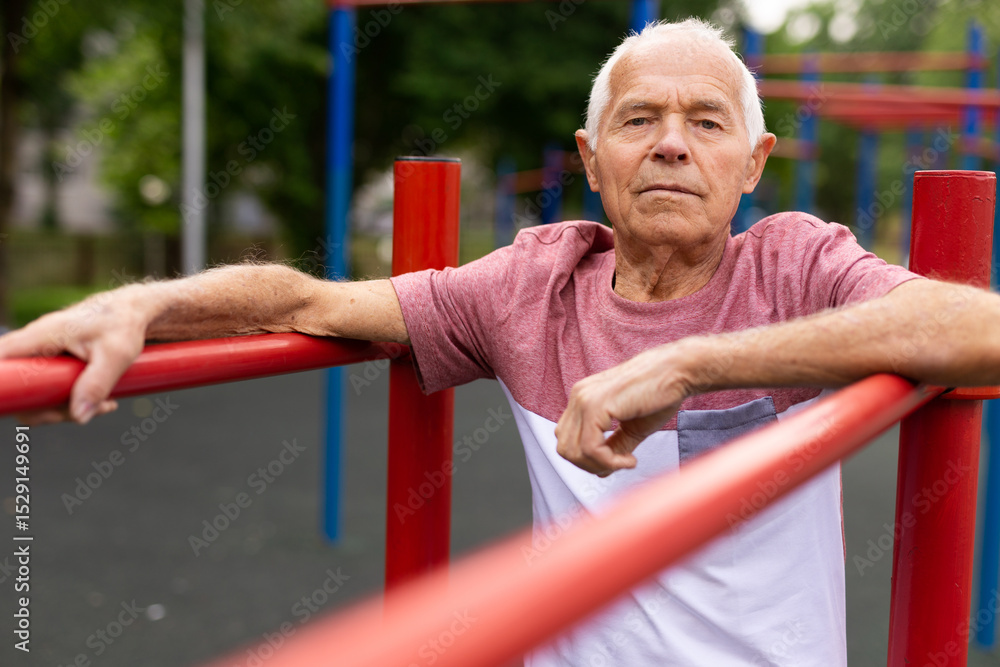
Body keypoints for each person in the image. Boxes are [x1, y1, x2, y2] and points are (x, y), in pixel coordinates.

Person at [3, 16, 1000, 666]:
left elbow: (979, 327)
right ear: (591, 159)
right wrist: (143, 308)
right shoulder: (535, 283)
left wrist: (695, 362)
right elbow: (310, 302)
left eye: (705, 122)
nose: (669, 142)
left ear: (753, 163)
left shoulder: (792, 266)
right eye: (638, 119)